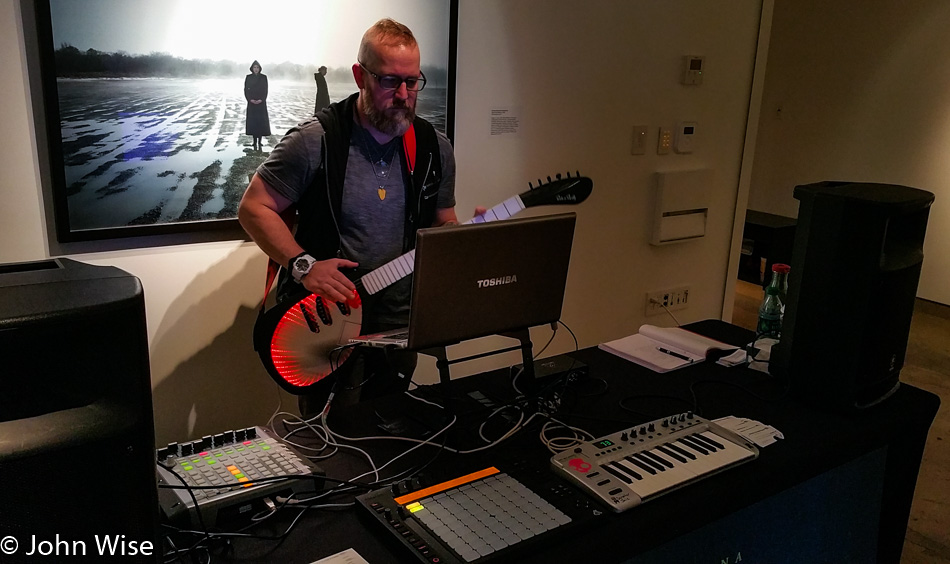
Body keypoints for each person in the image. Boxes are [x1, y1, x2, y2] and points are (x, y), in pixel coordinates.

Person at [239, 19, 465, 415]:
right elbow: (254, 208)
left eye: (413, 82)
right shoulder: (315, 140)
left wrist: (460, 237)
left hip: (398, 321)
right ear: (360, 75)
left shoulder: (434, 146)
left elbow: (442, 218)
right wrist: (304, 264)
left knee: (391, 429)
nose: (404, 95)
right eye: (390, 81)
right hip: (326, 319)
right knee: (329, 443)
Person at [244, 60, 271, 150]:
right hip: (251, 104)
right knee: (253, 122)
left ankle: (260, 141)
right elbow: (246, 90)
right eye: (254, 67)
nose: (256, 69)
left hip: (261, 104)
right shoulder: (248, 77)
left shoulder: (264, 77)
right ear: (252, 68)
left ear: (260, 68)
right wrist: (250, 99)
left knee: (260, 122)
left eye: (257, 67)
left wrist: (261, 99)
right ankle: (254, 141)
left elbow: (265, 90)